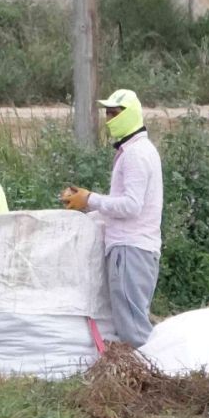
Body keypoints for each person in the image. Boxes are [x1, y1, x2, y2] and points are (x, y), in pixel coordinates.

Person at [61, 89, 164, 346]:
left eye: (115, 113)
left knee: (133, 329)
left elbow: (131, 206)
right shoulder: (133, 150)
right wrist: (86, 207)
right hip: (132, 247)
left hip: (131, 248)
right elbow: (124, 202)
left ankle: (157, 377)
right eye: (107, 112)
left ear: (131, 115)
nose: (109, 118)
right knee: (131, 321)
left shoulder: (136, 154)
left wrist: (90, 198)